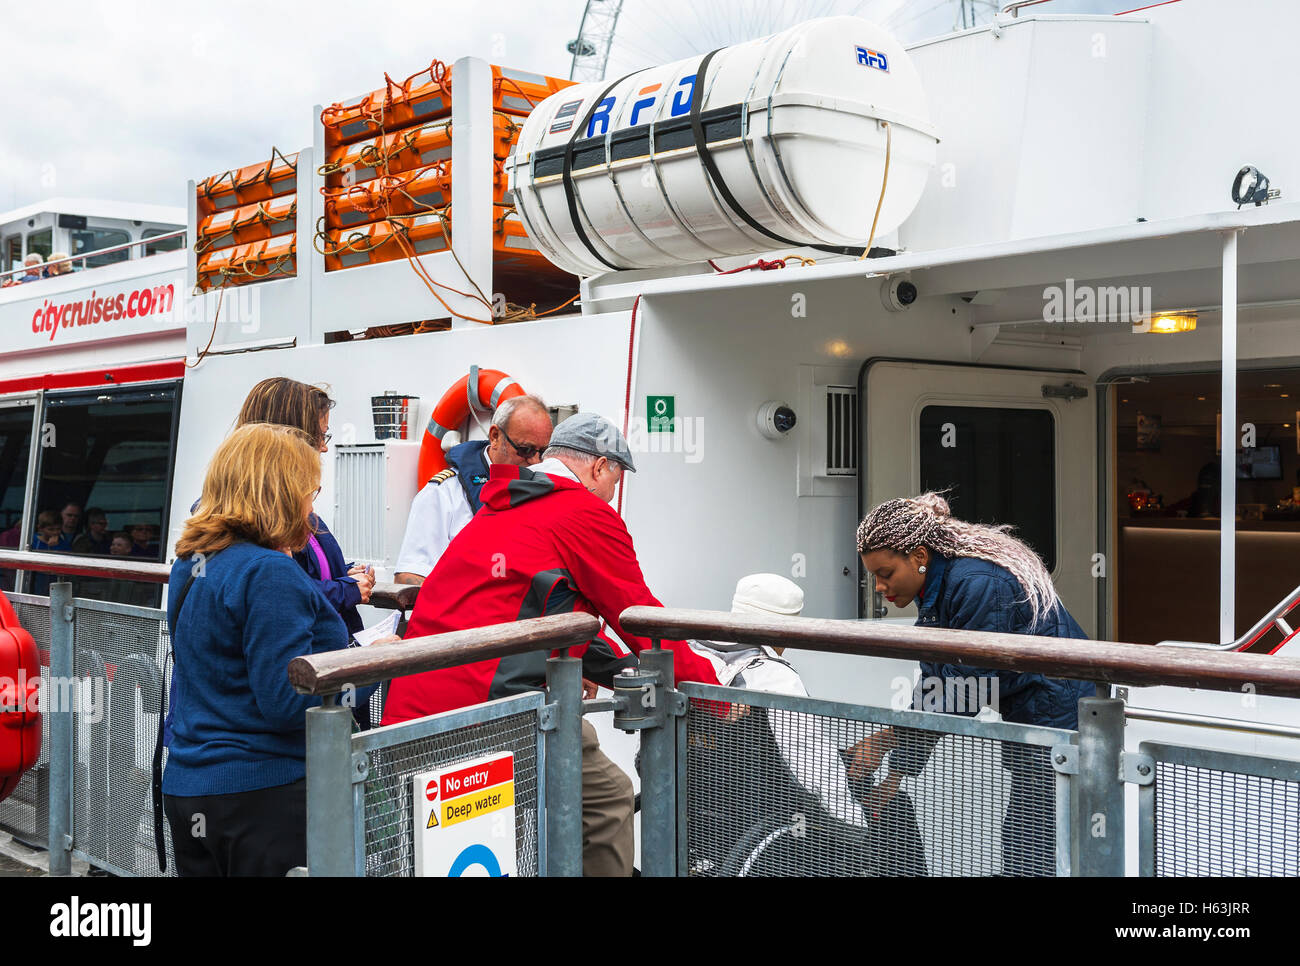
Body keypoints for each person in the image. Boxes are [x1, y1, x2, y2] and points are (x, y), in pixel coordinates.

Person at [382, 412, 723, 876]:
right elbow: (639, 615)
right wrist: (714, 694)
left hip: (416, 708)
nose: (612, 495)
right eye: (615, 481)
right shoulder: (582, 513)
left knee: (571, 806)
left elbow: (536, 606)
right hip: (486, 715)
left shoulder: (502, 505)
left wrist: (602, 664)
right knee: (600, 803)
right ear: (600, 468)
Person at [162, 422, 380, 877]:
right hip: (261, 796)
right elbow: (287, 703)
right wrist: (373, 664)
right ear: (280, 492)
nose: (312, 510)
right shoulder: (268, 573)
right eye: (309, 493)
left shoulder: (192, 561)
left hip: (189, 785)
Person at [852, 492, 1096, 876]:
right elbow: (938, 683)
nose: (880, 587)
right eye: (874, 577)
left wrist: (886, 739)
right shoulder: (940, 588)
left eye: (885, 574)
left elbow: (967, 690)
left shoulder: (977, 583)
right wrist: (895, 774)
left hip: (1058, 706)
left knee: (1034, 833)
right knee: (1028, 831)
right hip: (1032, 706)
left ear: (918, 557)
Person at [684, 574, 927, 876]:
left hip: (705, 802)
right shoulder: (774, 678)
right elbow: (812, 766)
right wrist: (855, 830)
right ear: (787, 628)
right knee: (895, 807)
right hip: (772, 808)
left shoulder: (692, 655)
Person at [234, 377, 373, 638]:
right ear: (288, 436)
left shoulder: (288, 510)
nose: (324, 446)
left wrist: (343, 574)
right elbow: (283, 595)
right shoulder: (255, 521)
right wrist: (346, 590)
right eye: (320, 435)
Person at [393, 394, 554, 586]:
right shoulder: (443, 494)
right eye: (525, 450)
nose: (535, 461)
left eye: (543, 452)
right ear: (495, 437)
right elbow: (409, 576)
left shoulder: (547, 492)